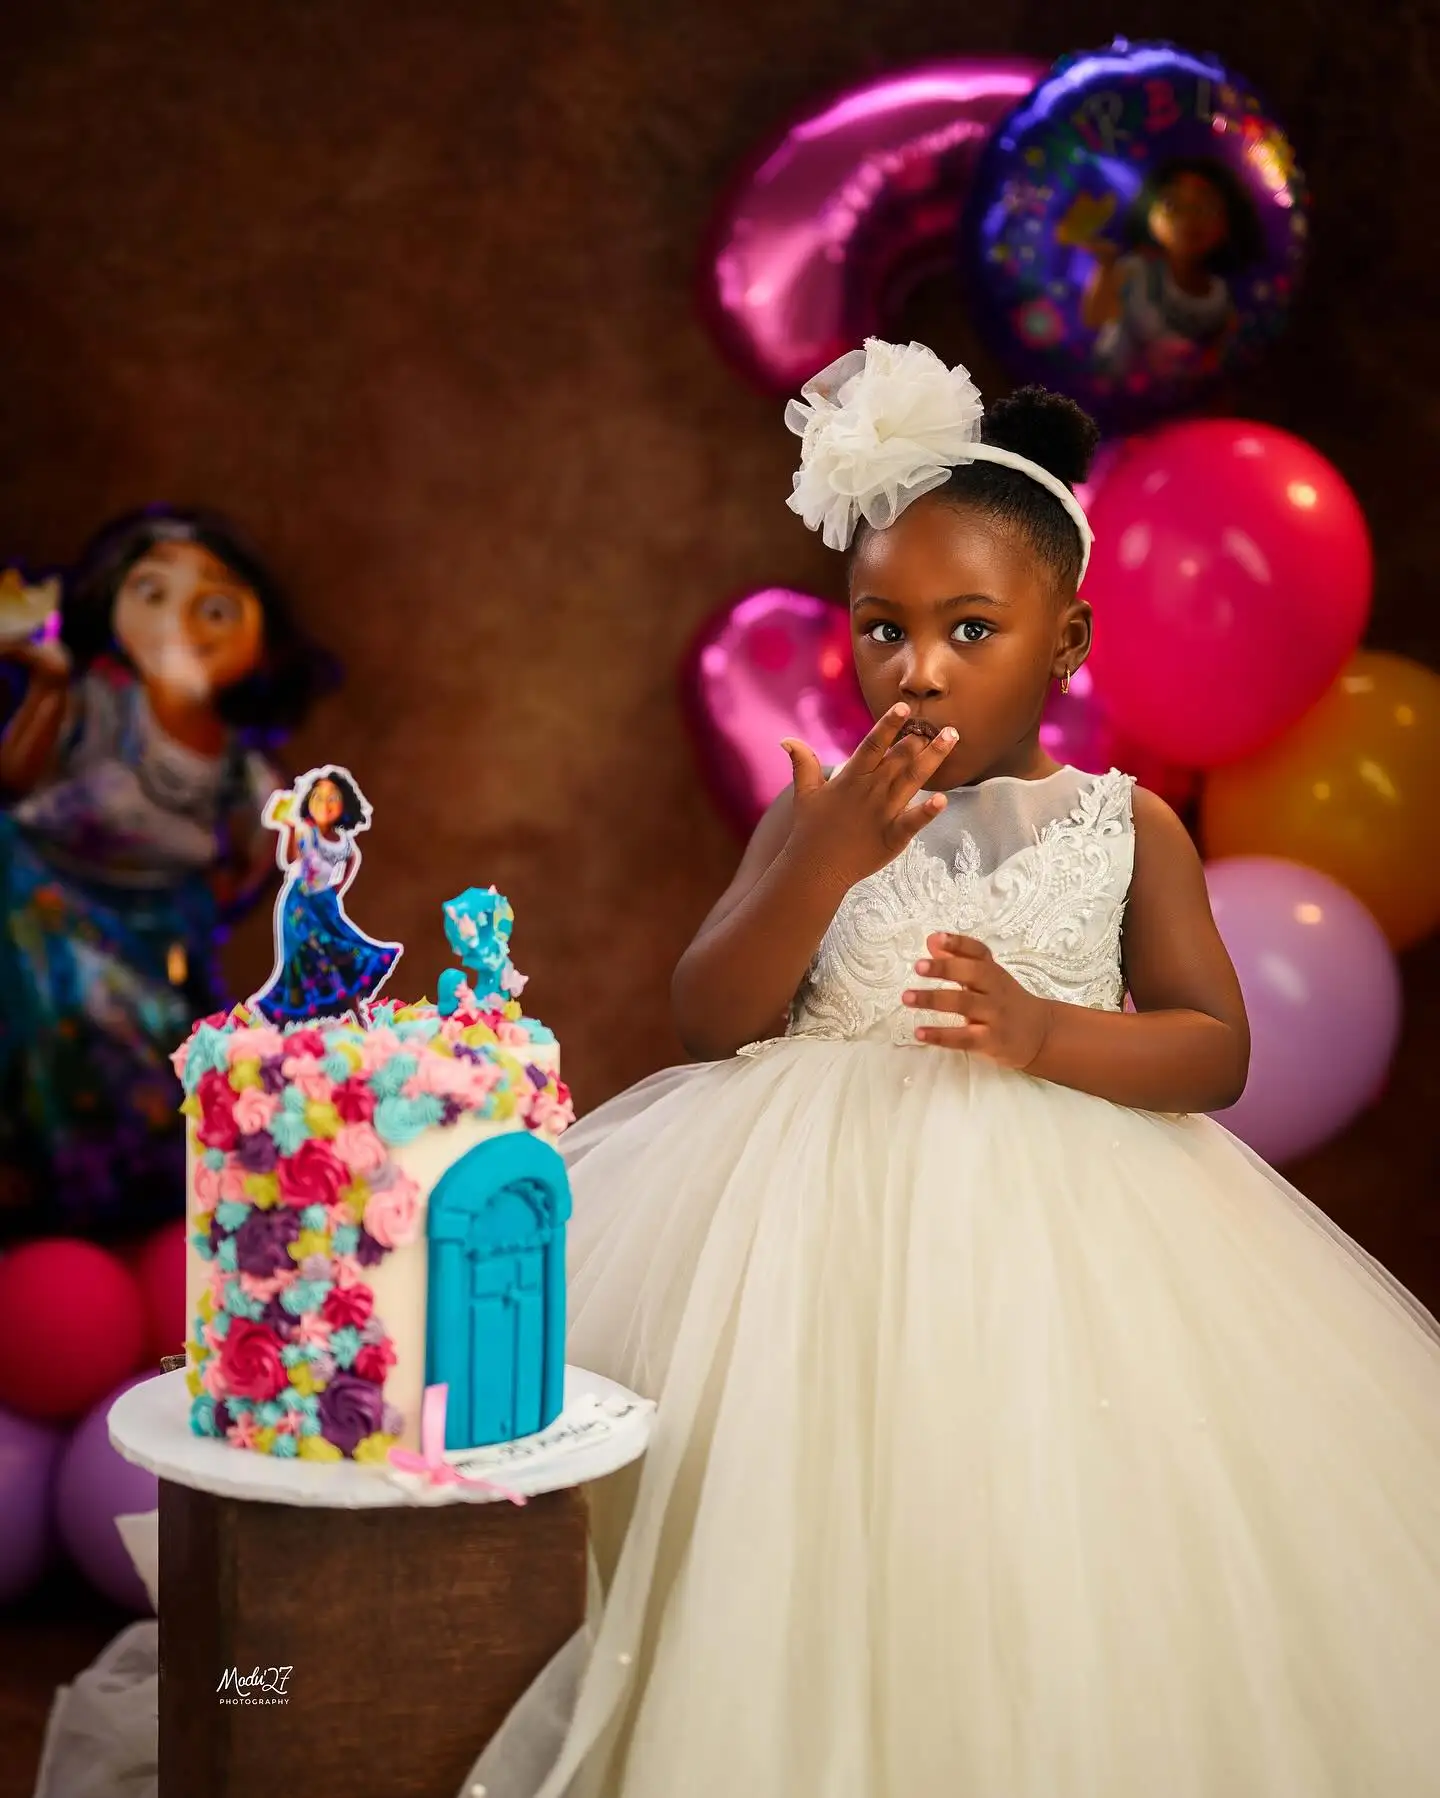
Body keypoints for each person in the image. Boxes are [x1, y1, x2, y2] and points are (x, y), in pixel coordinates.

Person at [466, 340, 1440, 1797]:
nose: (915, 666)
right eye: (880, 627)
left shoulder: (1127, 828)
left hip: (1066, 1240)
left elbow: (1214, 1047)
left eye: (971, 627)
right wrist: (828, 861)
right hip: (798, 1236)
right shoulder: (817, 806)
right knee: (794, 1534)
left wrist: (1046, 1032)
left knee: (1034, 1534)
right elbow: (709, 1013)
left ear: (1068, 638)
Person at [0, 507, 332, 1234]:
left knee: (156, 1071)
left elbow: (248, 869)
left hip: (153, 943)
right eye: (152, 594)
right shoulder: (94, 707)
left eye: (213, 606)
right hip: (36, 915)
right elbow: (14, 781)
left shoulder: (242, 773)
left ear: (261, 643)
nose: (182, 622)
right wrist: (48, 690)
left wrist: (186, 916)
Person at [1067, 158, 1263, 385]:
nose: (1188, 218)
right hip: (1117, 387)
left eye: (1205, 207)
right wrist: (1106, 266)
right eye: (1171, 205)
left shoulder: (1220, 296)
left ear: (1228, 222)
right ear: (1148, 213)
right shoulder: (1136, 269)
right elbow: (1095, 318)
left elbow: (1219, 358)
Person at [250, 764, 400, 1022]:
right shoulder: (306, 831)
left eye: (333, 798)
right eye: (318, 797)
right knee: (308, 955)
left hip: (325, 905)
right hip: (299, 904)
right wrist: (288, 830)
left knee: (342, 952)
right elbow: (288, 860)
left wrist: (337, 888)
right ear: (308, 801)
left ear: (345, 804)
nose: (325, 804)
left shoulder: (344, 842)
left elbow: (352, 859)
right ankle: (297, 1018)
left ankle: (355, 1012)